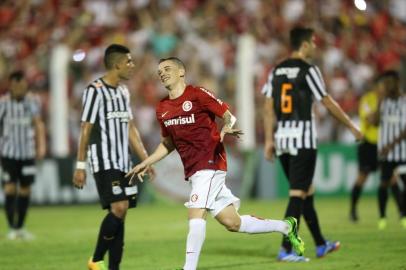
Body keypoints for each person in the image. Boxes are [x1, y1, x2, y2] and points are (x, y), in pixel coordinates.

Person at [126, 57, 304, 270]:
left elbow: (228, 116)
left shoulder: (198, 94)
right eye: (160, 71)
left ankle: (188, 268)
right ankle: (286, 227)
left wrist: (228, 125)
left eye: (167, 68)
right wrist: (146, 161)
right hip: (194, 171)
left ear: (181, 71)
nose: (162, 73)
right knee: (233, 223)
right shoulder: (162, 108)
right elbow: (168, 143)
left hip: (210, 164)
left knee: (195, 212)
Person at [262, 27, 363, 262]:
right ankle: (286, 249)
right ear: (304, 45)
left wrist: (268, 140)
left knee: (306, 191)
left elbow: (267, 108)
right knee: (297, 195)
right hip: (303, 138)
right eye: (313, 43)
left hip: (282, 139)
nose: (316, 47)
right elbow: (326, 101)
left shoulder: (275, 71)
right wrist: (351, 126)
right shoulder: (309, 70)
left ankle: (320, 243)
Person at [72, 44, 154, 270]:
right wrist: (80, 165)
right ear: (117, 64)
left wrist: (145, 159)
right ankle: (96, 259)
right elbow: (86, 128)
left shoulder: (123, 92)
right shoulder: (94, 90)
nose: (132, 65)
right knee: (119, 208)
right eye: (129, 61)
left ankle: (114, 268)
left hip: (124, 162)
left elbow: (130, 128)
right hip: (104, 160)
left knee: (122, 213)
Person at [0, 70, 46, 240]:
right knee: (10, 187)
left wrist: (41, 146)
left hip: (27, 153)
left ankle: (20, 227)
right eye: (16, 86)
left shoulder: (32, 101)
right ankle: (12, 227)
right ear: (11, 86)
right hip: (8, 153)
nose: (19, 89)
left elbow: (38, 124)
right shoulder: (3, 103)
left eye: (22, 86)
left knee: (25, 189)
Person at [349, 76, 385, 222]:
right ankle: (352, 210)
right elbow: (371, 121)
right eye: (382, 85)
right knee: (362, 178)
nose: (384, 89)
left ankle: (402, 213)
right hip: (368, 143)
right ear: (376, 87)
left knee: (393, 178)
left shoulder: (390, 101)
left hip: (385, 144)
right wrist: (381, 106)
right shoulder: (367, 99)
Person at [376, 70, 406, 230]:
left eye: (388, 83)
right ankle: (382, 217)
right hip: (385, 153)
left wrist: (391, 145)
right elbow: (374, 122)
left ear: (396, 83)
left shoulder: (404, 101)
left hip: (401, 152)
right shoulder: (383, 102)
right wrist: (378, 105)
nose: (386, 86)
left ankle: (404, 215)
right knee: (383, 184)